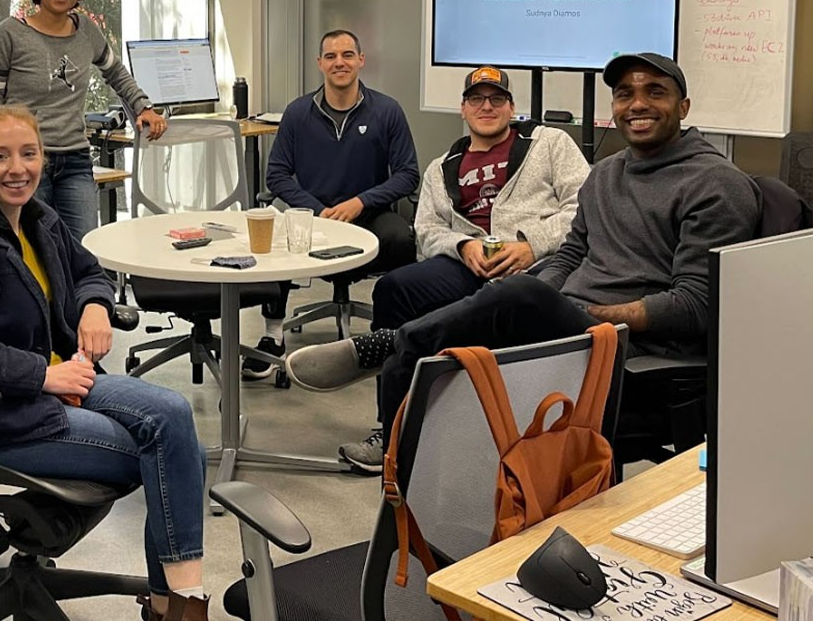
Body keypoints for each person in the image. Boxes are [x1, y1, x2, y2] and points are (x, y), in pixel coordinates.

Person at [285, 53, 762, 471]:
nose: (636, 104)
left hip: (631, 349)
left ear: (684, 108)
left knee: (515, 296)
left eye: (654, 92)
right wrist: (537, 289)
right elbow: (576, 250)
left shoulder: (715, 184)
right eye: (624, 94)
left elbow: (694, 306)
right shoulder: (609, 172)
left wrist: (561, 290)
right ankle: (399, 450)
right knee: (420, 304)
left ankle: (390, 346)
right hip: (534, 299)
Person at [0, 105, 211, 621]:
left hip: (61, 380)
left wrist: (94, 304)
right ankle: (178, 604)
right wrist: (42, 375)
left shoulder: (37, 218)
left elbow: (87, 269)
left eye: (29, 154)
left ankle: (175, 600)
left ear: (44, 158)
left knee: (174, 417)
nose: (17, 168)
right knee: (164, 450)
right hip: (0, 413)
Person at [286, 65, 590, 471]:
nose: (487, 107)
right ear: (462, 109)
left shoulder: (549, 143)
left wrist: (530, 245)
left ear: (512, 107)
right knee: (395, 288)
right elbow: (426, 230)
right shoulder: (442, 166)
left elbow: (584, 206)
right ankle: (392, 432)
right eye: (477, 100)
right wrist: (462, 245)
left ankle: (393, 343)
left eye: (497, 99)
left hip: (541, 266)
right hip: (472, 263)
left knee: (507, 300)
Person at [243, 29, 420, 378]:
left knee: (401, 239)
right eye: (331, 56)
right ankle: (272, 336)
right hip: (311, 216)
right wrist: (314, 211)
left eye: (348, 55)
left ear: (361, 60)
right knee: (273, 236)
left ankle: (393, 336)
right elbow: (276, 176)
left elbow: (408, 174)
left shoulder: (387, 110)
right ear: (320, 63)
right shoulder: (297, 113)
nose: (340, 62)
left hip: (368, 215)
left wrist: (360, 202)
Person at [0, 0, 168, 242]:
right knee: (32, 249)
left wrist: (143, 107)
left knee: (83, 251)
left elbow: (116, 73)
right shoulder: (9, 34)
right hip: (25, 161)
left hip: (75, 160)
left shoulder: (86, 31)